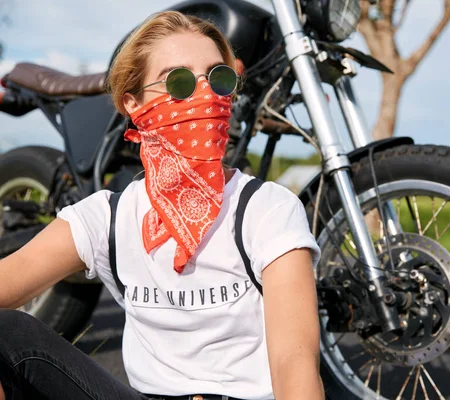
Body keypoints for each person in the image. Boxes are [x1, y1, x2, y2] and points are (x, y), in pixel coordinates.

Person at [0, 11, 324, 400]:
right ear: (133, 103)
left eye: (219, 79)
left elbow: (294, 361)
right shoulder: (110, 216)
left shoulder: (266, 210)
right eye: (179, 82)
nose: (205, 95)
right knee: (10, 334)